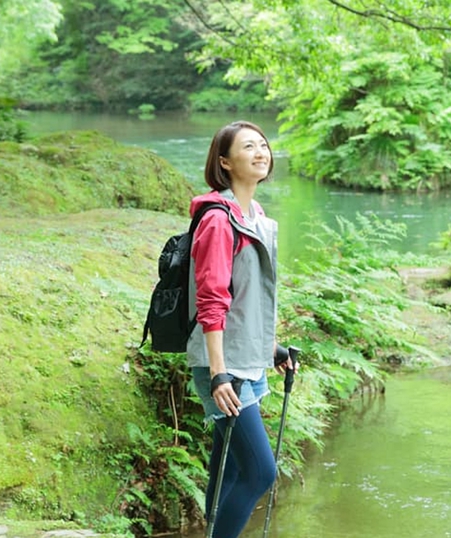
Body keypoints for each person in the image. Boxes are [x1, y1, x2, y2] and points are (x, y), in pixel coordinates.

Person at [187, 120, 295, 538]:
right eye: (248, 147)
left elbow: (251, 297)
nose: (261, 152)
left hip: (248, 360)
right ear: (225, 162)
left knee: (229, 468)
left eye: (263, 145)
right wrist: (218, 374)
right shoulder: (218, 220)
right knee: (259, 471)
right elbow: (213, 301)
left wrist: (273, 348)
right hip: (224, 367)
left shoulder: (256, 216)